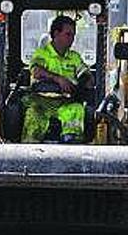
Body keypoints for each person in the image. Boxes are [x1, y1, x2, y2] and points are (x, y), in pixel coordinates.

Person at [22, 15, 90, 143]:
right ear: (56, 33)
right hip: (41, 102)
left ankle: (71, 143)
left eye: (73, 35)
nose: (72, 39)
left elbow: (86, 75)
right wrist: (58, 79)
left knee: (76, 109)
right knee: (34, 114)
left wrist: (82, 83)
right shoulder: (42, 54)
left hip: (65, 102)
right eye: (68, 34)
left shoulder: (74, 57)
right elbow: (36, 71)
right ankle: (30, 148)